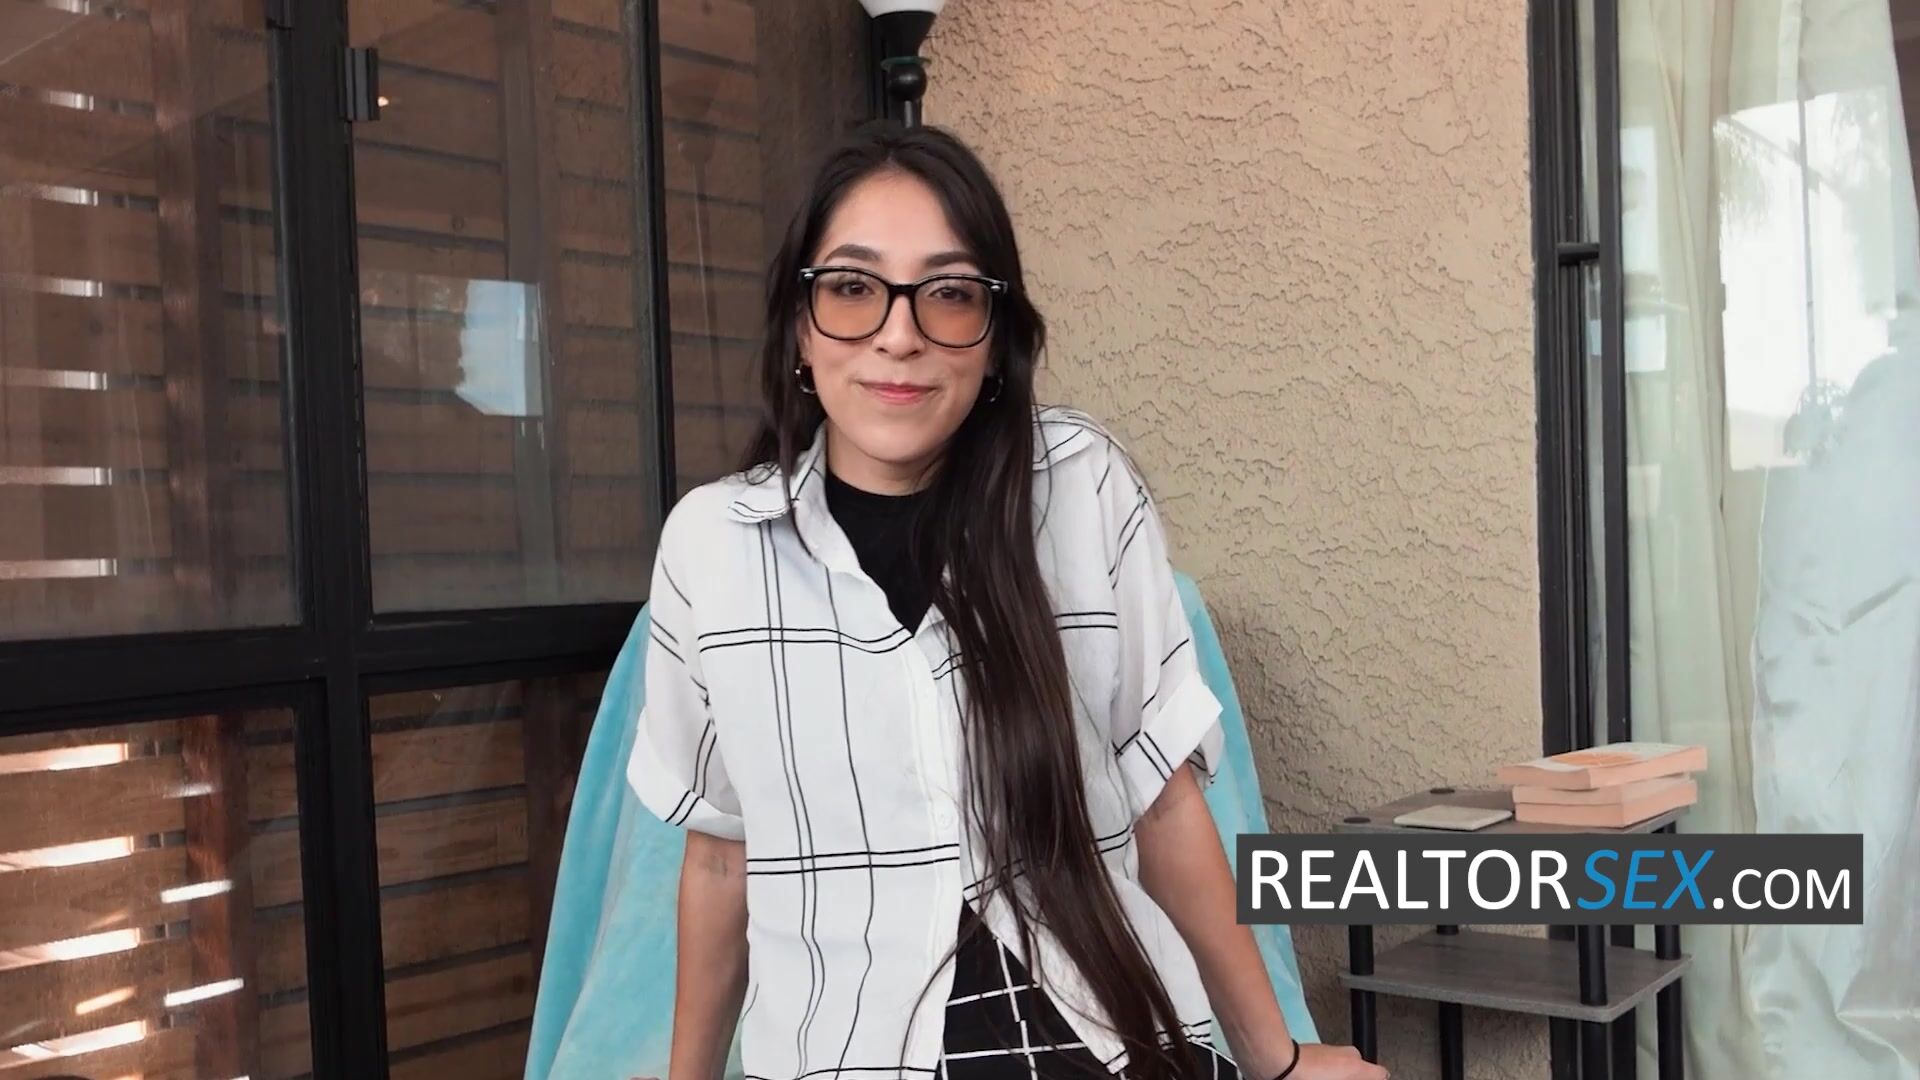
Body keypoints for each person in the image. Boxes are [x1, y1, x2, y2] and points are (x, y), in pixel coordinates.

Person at [626, 122, 1386, 1080]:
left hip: (1104, 1038)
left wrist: (1276, 1060)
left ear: (994, 341)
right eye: (853, 288)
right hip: (843, 1053)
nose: (899, 334)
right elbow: (719, 856)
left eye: (948, 294)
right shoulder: (712, 545)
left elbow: (1163, 803)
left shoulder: (1082, 486)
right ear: (800, 331)